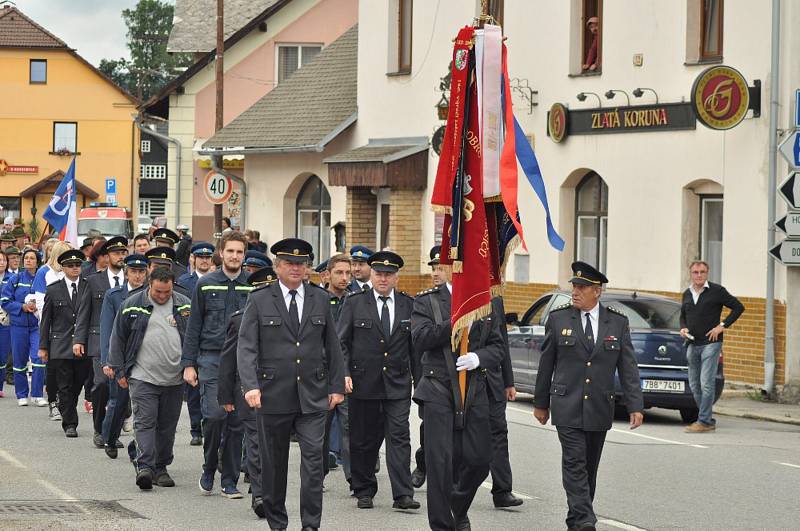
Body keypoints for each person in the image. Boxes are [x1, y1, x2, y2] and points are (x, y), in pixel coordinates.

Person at [237, 237, 345, 531]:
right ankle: (277, 521)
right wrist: (251, 386)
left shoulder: (320, 299)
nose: (295, 268)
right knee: (274, 466)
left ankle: (311, 524)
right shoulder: (259, 299)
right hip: (272, 395)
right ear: (277, 266)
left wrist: (336, 386)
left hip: (312, 395)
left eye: (301, 264)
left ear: (308, 268)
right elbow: (247, 347)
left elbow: (332, 346)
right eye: (289, 263)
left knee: (313, 465)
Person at [533, 261, 644, 531]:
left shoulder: (617, 322)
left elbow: (627, 366)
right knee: (574, 462)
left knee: (589, 467)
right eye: (574, 286)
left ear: (598, 291)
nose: (575, 291)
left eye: (582, 287)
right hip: (566, 404)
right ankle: (585, 520)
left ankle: (576, 519)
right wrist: (540, 403)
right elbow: (546, 364)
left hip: (598, 406)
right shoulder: (559, 319)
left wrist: (635, 405)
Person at [411, 262, 505, 531]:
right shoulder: (428, 301)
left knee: (480, 460)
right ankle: (443, 525)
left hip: (475, 388)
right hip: (438, 388)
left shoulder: (486, 302)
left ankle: (457, 506)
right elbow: (420, 338)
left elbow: (498, 346)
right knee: (440, 463)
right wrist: (455, 320)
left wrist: (479, 357)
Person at [338, 251, 419, 511]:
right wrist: (344, 373)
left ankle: (403, 494)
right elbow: (341, 342)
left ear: (396, 277)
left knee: (399, 437)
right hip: (363, 382)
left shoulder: (408, 304)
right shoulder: (354, 302)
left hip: (397, 383)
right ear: (371, 275)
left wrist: (421, 381)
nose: (383, 279)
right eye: (378, 274)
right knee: (364, 439)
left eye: (388, 274)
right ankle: (364, 488)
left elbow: (414, 347)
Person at [108, 267, 192, 490]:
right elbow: (117, 337)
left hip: (174, 378)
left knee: (167, 426)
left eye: (167, 292)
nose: (163, 296)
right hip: (142, 376)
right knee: (145, 421)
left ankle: (161, 467)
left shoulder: (184, 305)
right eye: (158, 292)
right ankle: (145, 467)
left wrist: (193, 366)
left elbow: (193, 337)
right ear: (149, 284)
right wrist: (119, 370)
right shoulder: (132, 304)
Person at [182, 231, 250, 499]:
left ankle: (230, 480)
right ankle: (210, 466)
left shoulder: (252, 285)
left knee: (236, 423)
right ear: (221, 253)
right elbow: (193, 326)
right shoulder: (206, 284)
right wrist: (188, 364)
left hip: (242, 362)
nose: (235, 256)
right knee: (214, 416)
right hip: (211, 358)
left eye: (240, 252)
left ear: (244, 255)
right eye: (230, 251)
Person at [218, 265, 276, 518]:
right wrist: (225, 395)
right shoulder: (240, 319)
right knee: (255, 442)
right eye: (262, 289)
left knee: (273, 444)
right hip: (249, 390)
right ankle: (260, 495)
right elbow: (229, 359)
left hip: (280, 391)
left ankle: (266, 487)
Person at [73, 236, 128, 448]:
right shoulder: (93, 281)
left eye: (123, 253)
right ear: (107, 256)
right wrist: (79, 339)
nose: (120, 257)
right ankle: (99, 429)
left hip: (125, 342)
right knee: (102, 384)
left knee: (122, 389)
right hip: (98, 340)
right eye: (116, 253)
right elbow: (83, 312)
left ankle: (111, 432)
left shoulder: (132, 279)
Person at [680, 260, 744, 433]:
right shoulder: (687, 293)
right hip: (692, 343)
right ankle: (707, 419)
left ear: (707, 273)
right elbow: (683, 316)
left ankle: (703, 421)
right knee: (694, 384)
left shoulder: (717, 291)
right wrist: (683, 328)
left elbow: (738, 307)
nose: (699, 275)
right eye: (695, 272)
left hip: (711, 343)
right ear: (691, 274)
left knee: (706, 383)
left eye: (702, 272)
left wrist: (722, 326)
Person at [99, 254, 149, 458]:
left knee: (143, 406)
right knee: (118, 401)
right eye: (133, 272)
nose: (137, 276)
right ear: (126, 273)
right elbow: (107, 328)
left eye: (141, 272)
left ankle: (141, 447)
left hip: (143, 355)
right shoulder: (114, 295)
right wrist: (108, 360)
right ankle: (109, 438)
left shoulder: (150, 295)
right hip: (120, 355)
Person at [37, 249, 90, 437]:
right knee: (65, 385)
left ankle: (66, 405)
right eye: (70, 265)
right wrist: (43, 346)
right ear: (63, 268)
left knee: (78, 384)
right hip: (60, 345)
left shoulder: (88, 286)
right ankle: (70, 424)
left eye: (78, 265)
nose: (75, 268)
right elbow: (46, 320)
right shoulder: (53, 289)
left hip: (83, 344)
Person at [411, 245, 445, 488]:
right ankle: (423, 463)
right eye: (433, 268)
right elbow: (419, 341)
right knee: (430, 430)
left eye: (440, 267)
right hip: (432, 377)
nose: (435, 272)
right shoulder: (426, 301)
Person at [485, 296, 522, 508]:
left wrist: (508, 380)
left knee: (498, 433)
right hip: (463, 380)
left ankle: (502, 490)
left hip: (492, 380)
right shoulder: (461, 290)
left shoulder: (495, 300)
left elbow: (502, 342)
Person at [321, 254, 352, 486]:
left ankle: (354, 479)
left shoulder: (355, 300)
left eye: (347, 273)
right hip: (320, 372)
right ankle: (317, 473)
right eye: (339, 273)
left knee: (349, 426)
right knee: (319, 428)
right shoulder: (317, 299)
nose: (344, 278)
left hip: (347, 371)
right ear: (328, 274)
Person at [34, 240, 73, 420]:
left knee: (68, 369)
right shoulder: (44, 273)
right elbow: (41, 303)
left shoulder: (70, 274)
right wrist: (48, 325)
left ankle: (64, 401)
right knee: (53, 367)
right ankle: (53, 401)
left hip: (70, 328)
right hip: (52, 328)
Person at [1, 248, 44, 406]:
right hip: (18, 326)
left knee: (38, 358)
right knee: (19, 360)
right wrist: (22, 307)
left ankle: (38, 394)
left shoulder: (42, 277)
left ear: (37, 261)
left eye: (32, 258)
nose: (28, 260)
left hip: (37, 326)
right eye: (26, 258)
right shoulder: (16, 278)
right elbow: (4, 300)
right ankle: (21, 394)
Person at [0, 252, 11, 396]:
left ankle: (0, 385)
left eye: (3, 260)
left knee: (2, 354)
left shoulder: (11, 279)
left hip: (5, 320)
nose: (1, 262)